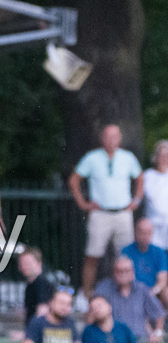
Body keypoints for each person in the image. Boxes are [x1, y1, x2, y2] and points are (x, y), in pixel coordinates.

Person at [69, 124, 144, 298]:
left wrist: (136, 200)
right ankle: (87, 296)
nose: (111, 140)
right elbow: (74, 179)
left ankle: (126, 295)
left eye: (115, 136)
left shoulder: (128, 158)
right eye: (108, 136)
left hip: (123, 213)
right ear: (103, 138)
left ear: (120, 138)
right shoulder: (92, 158)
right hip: (100, 213)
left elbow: (140, 178)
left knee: (126, 258)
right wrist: (82, 203)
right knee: (92, 256)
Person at [94, 256, 166, 343]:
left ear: (133, 272)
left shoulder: (142, 289)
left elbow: (159, 313)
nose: (123, 274)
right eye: (119, 271)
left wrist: (158, 332)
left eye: (127, 271)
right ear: (113, 272)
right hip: (113, 342)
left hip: (140, 341)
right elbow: (93, 313)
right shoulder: (104, 289)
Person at [122, 218, 168, 310]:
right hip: (133, 290)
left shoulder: (159, 252)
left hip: (153, 291)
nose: (145, 236)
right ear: (135, 232)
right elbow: (125, 277)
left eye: (148, 233)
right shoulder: (126, 251)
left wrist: (152, 292)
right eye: (142, 232)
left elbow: (162, 279)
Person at [19, 247, 55, 328]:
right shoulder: (31, 284)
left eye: (28, 263)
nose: (24, 266)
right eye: (22, 263)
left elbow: (42, 313)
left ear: (39, 263)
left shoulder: (41, 283)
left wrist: (29, 335)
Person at [143, 139, 168, 250]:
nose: (164, 159)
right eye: (162, 155)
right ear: (156, 157)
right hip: (154, 228)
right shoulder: (147, 176)